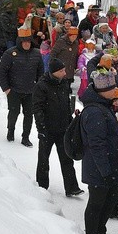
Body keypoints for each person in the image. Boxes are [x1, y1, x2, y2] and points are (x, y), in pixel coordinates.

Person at [80, 70, 118, 234]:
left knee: (109, 201)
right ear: (104, 90)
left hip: (109, 166)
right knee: (97, 203)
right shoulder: (94, 112)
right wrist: (105, 171)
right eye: (113, 87)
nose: (116, 89)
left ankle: (100, 233)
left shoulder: (105, 106)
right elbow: (96, 145)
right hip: (100, 169)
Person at [33, 58, 83, 198]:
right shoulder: (42, 86)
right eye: (61, 71)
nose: (64, 72)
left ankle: (72, 187)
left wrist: (70, 121)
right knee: (43, 159)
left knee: (67, 158)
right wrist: (41, 129)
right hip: (47, 129)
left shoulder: (64, 83)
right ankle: (41, 186)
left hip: (63, 129)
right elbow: (37, 109)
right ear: (54, 72)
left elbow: (67, 104)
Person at [0, 28, 44, 147]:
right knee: (14, 112)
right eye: (24, 41)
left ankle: (25, 137)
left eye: (28, 41)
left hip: (30, 91)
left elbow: (40, 73)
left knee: (29, 115)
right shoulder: (10, 53)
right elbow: (2, 72)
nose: (26, 44)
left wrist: (38, 88)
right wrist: (6, 89)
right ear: (20, 42)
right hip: (14, 90)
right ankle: (10, 131)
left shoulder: (37, 54)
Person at [50, 27, 79, 96]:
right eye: (72, 36)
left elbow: (75, 55)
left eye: (75, 36)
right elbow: (53, 53)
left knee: (67, 85)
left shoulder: (76, 43)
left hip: (70, 68)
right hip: (61, 67)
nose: (74, 38)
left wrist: (75, 66)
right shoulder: (61, 41)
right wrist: (53, 65)